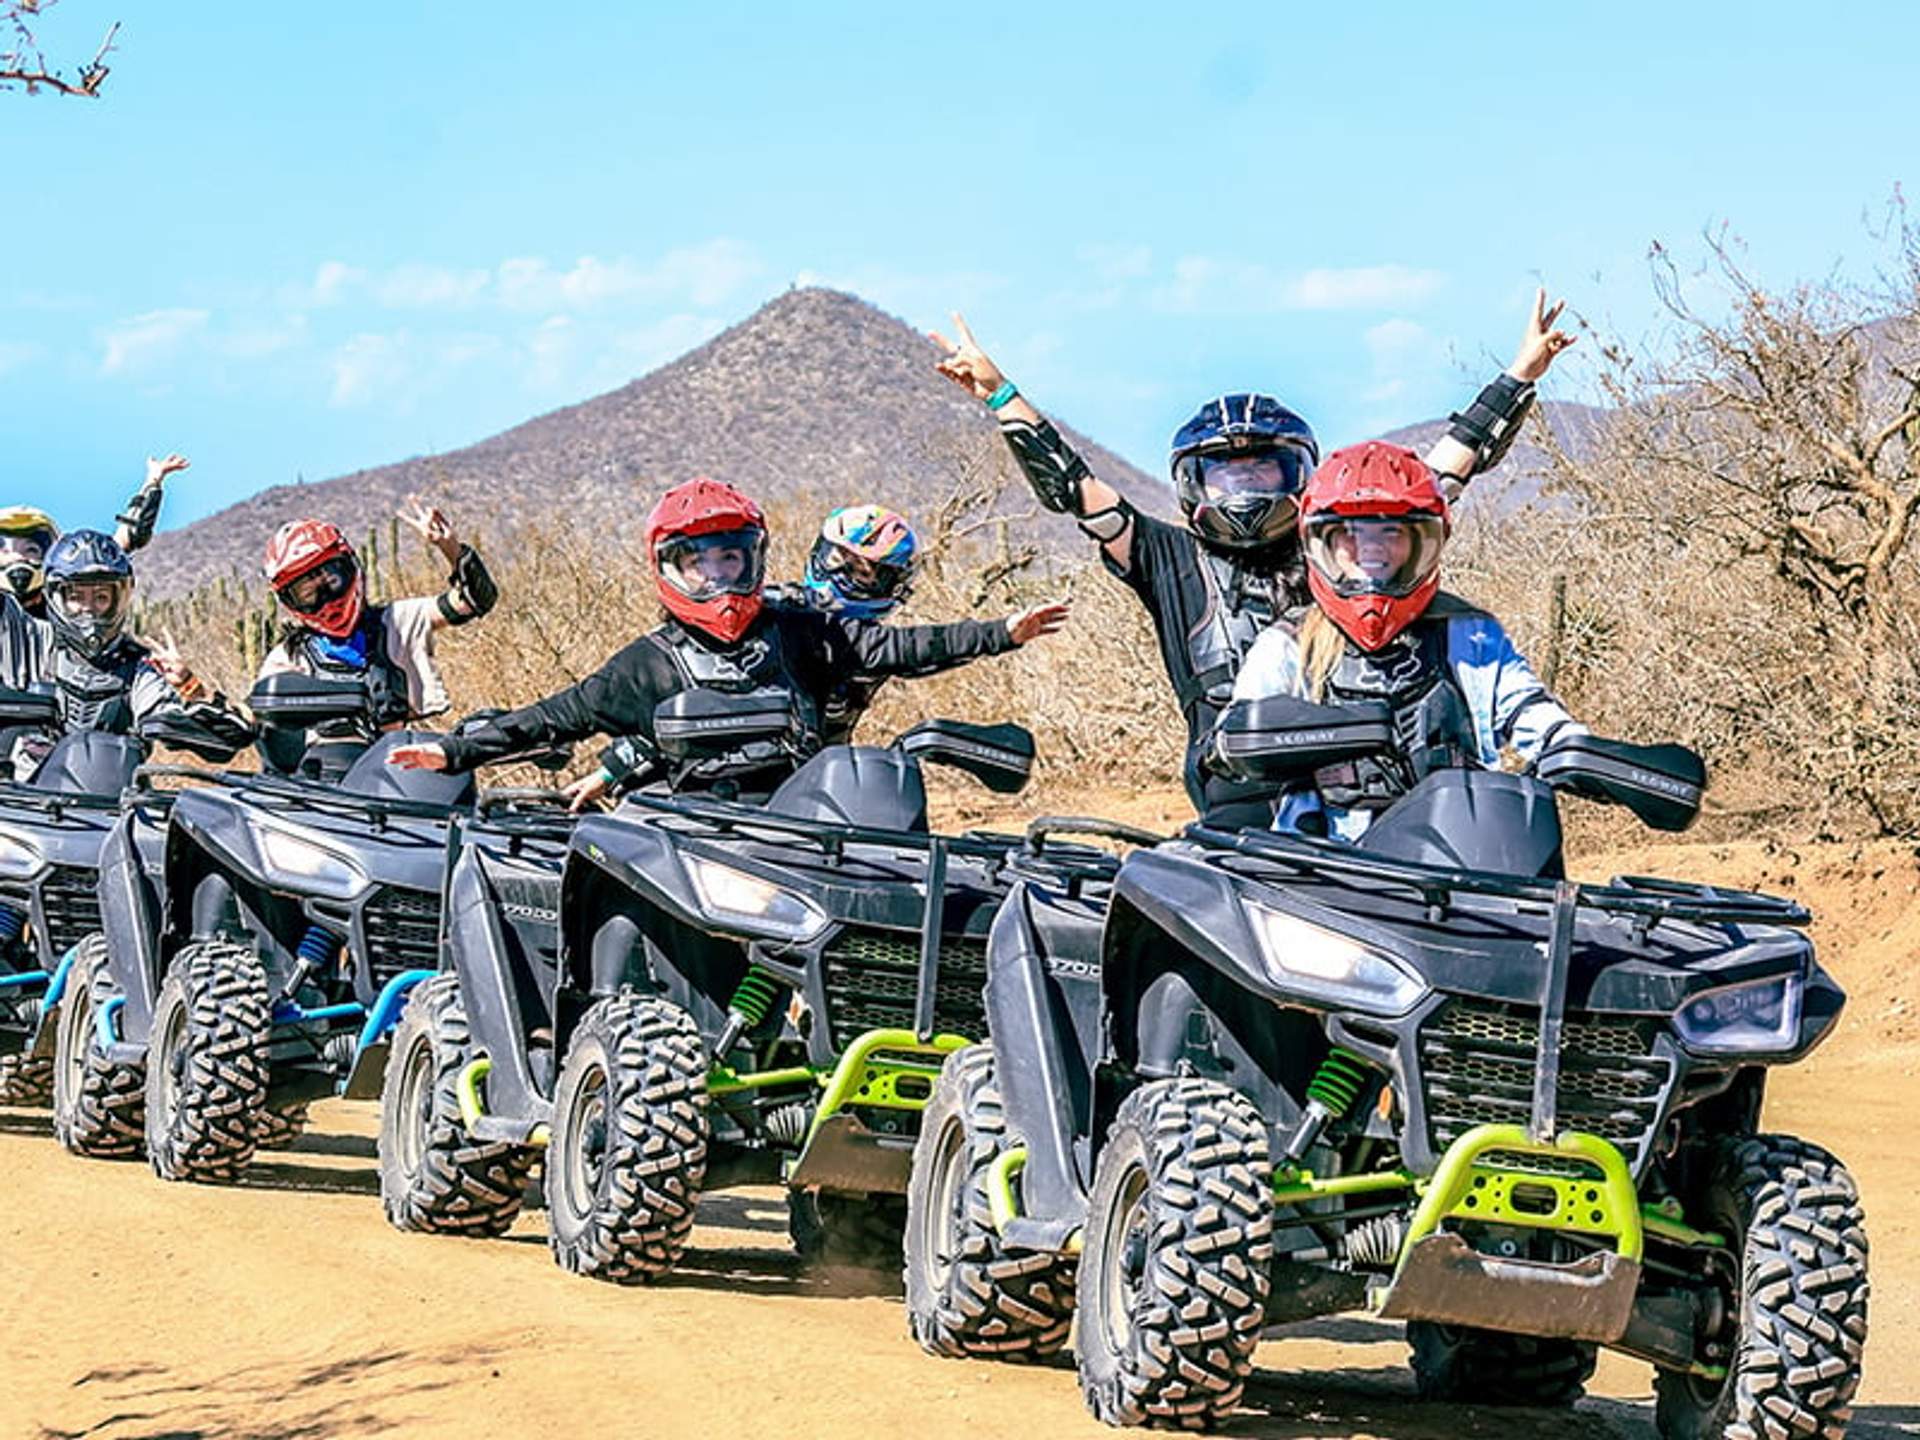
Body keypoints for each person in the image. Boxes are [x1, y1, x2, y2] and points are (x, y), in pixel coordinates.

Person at [930, 292, 1576, 821]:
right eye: (1227, 478)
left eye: (1264, 474)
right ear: (1193, 485)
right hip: (1233, 792)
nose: (1246, 493)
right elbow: (1076, 490)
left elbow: (1436, 477)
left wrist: (1520, 375)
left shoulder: (1332, 538)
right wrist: (998, 393)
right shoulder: (1165, 555)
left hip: (1358, 783)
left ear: (1299, 474)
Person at [385, 477, 1069, 810]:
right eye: (699, 563)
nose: (718, 576)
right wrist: (454, 749)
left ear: (754, 558)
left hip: (806, 814)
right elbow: (556, 716)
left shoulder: (805, 628)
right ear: (671, 568)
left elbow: (903, 649)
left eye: (731, 560)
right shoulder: (648, 660)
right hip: (693, 827)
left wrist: (1003, 634)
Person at [1219, 440, 1582, 841]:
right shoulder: (1289, 644)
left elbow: (1536, 716)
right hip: (1322, 876)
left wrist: (1586, 755)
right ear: (1320, 543)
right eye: (1349, 533)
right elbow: (1236, 730)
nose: (1371, 547)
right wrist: (1235, 744)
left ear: (1422, 542)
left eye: (1391, 531)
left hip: (1466, 862)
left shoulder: (1470, 633)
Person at [254, 496, 498, 775]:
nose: (326, 599)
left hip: (404, 769)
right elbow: (265, 718)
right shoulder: (288, 657)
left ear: (350, 567)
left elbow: (474, 601)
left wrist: (450, 548)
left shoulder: (397, 621)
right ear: (291, 603)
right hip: (324, 785)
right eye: (308, 594)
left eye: (332, 580)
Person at [770, 502, 1019, 747]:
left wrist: (1003, 633)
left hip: (818, 771)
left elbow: (918, 648)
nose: (840, 573)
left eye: (861, 571)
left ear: (892, 585)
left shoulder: (872, 643)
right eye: (837, 558)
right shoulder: (778, 607)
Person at [0, 529, 220, 779]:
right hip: (23, 807)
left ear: (119, 599)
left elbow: (216, 747)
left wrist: (190, 688)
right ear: (56, 597)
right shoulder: (30, 640)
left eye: (101, 597)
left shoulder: (139, 667)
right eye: (76, 597)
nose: (89, 609)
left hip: (111, 809)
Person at [0, 453, 191, 618]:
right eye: (4, 550)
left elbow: (124, 541)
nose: (17, 558)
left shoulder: (65, 604)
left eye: (31, 550)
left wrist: (153, 481)